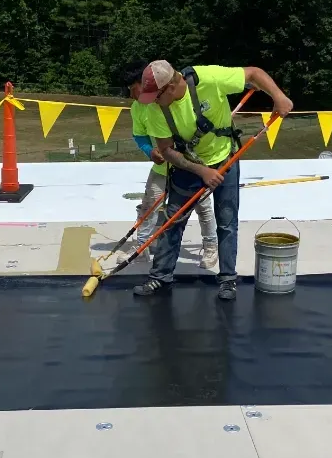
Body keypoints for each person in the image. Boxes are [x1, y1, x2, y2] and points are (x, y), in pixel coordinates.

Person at [134, 61, 293, 301]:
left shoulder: (208, 78)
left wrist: (278, 97)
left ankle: (228, 279)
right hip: (187, 164)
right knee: (173, 220)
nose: (153, 102)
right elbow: (166, 150)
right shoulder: (155, 109)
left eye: (156, 96)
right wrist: (201, 171)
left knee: (227, 221)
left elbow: (253, 73)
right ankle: (160, 276)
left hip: (224, 159)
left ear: (171, 87)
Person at [123, 61, 218, 269]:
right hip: (161, 168)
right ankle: (141, 247)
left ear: (144, 84)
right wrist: (150, 151)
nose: (131, 95)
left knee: (202, 207)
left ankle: (211, 246)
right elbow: (139, 135)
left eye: (133, 88)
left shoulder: (169, 99)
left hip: (189, 165)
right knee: (149, 206)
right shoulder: (137, 108)